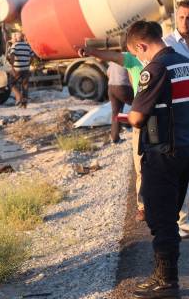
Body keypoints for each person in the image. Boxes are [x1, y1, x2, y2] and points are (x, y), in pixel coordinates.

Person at [126, 21, 189, 299]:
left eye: (137, 54)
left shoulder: (154, 69)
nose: (140, 59)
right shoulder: (184, 63)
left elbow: (138, 117)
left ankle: (166, 281)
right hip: (185, 149)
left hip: (163, 152)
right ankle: (164, 276)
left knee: (160, 218)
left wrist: (129, 116)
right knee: (170, 216)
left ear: (141, 46)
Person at [77, 46, 145, 221]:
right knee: (138, 105)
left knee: (116, 114)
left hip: (111, 87)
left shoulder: (117, 61)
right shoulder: (131, 59)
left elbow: (107, 72)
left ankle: (114, 137)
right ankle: (131, 123)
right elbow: (131, 79)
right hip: (122, 87)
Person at [165, 0, 189, 238]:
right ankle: (179, 220)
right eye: (182, 17)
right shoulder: (167, 45)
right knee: (180, 171)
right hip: (178, 115)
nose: (185, 22)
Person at [7, 32, 35, 108]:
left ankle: (19, 97)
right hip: (26, 68)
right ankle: (24, 104)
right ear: (22, 38)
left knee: (11, 83)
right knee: (25, 85)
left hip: (17, 69)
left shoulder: (14, 45)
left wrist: (12, 66)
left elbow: (12, 55)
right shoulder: (27, 45)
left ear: (17, 38)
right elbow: (32, 56)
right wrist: (28, 63)